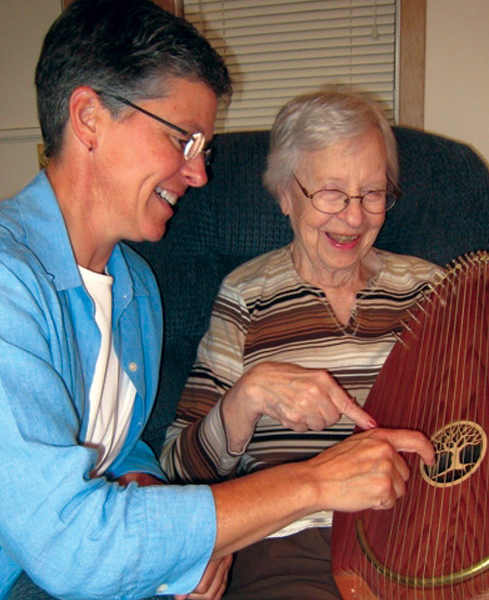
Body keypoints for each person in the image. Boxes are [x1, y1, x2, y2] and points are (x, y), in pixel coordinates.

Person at [0, 0, 434, 596]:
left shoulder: (134, 289)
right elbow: (69, 544)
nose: (201, 174)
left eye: (202, 149)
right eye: (182, 139)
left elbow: (121, 447)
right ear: (88, 118)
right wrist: (313, 483)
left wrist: (176, 538)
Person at [160, 89, 445, 599]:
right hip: (291, 544)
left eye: (373, 193)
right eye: (331, 193)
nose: (355, 218)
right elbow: (177, 471)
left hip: (423, 540)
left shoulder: (433, 291)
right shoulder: (246, 295)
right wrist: (246, 399)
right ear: (285, 195)